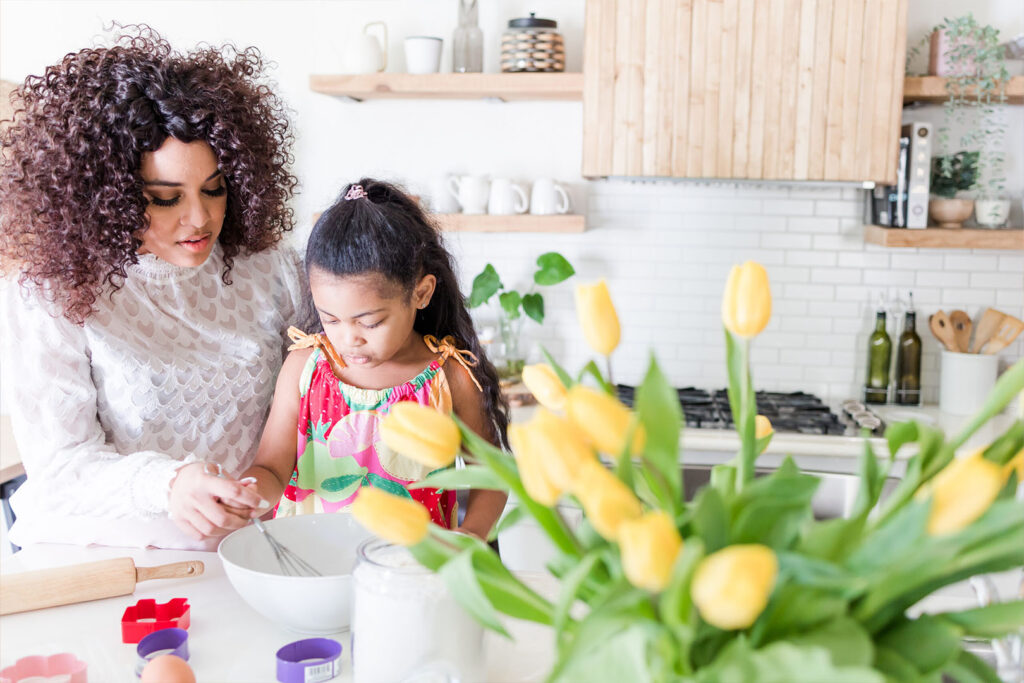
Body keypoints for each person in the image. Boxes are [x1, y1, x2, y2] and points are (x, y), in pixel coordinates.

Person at [0, 26, 304, 550]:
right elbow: (62, 466)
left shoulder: (270, 270)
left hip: (247, 549)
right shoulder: (52, 293)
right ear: (106, 195)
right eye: (165, 199)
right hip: (98, 556)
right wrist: (167, 486)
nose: (200, 218)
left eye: (215, 189)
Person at [240, 179, 509, 538]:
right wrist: (248, 494)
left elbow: (491, 475)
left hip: (409, 574)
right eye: (330, 319)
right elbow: (271, 469)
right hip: (311, 566)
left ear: (422, 293)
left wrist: (470, 536)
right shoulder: (305, 367)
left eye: (370, 322)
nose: (349, 339)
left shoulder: (449, 377)